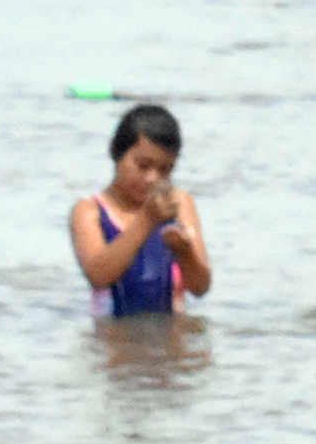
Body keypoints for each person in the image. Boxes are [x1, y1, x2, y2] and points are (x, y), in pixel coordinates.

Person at [70, 103, 211, 316]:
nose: (152, 178)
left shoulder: (179, 203)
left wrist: (185, 252)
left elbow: (200, 288)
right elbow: (98, 275)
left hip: (172, 340)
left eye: (164, 170)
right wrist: (147, 220)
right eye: (142, 166)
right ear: (115, 152)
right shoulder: (89, 211)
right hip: (115, 342)